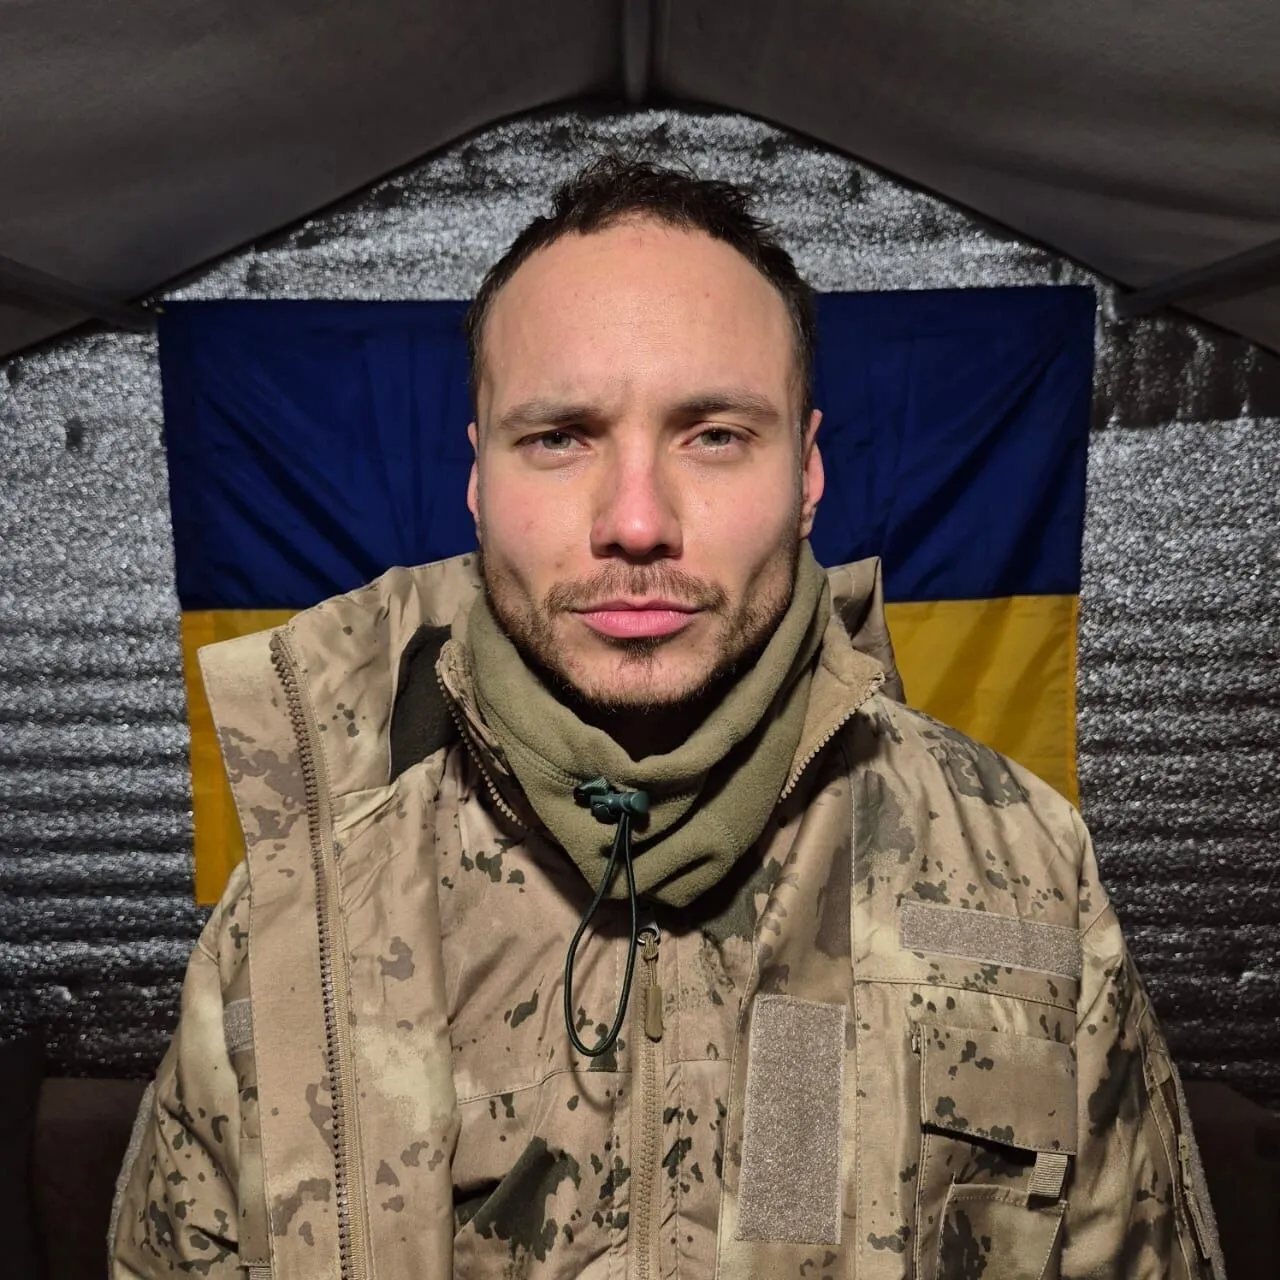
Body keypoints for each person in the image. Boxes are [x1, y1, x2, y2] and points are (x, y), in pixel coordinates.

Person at [111, 156, 1223, 1279]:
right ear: (478, 481)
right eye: (560, 436)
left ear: (806, 474)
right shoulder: (302, 908)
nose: (636, 520)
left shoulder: (1021, 869)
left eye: (714, 434)